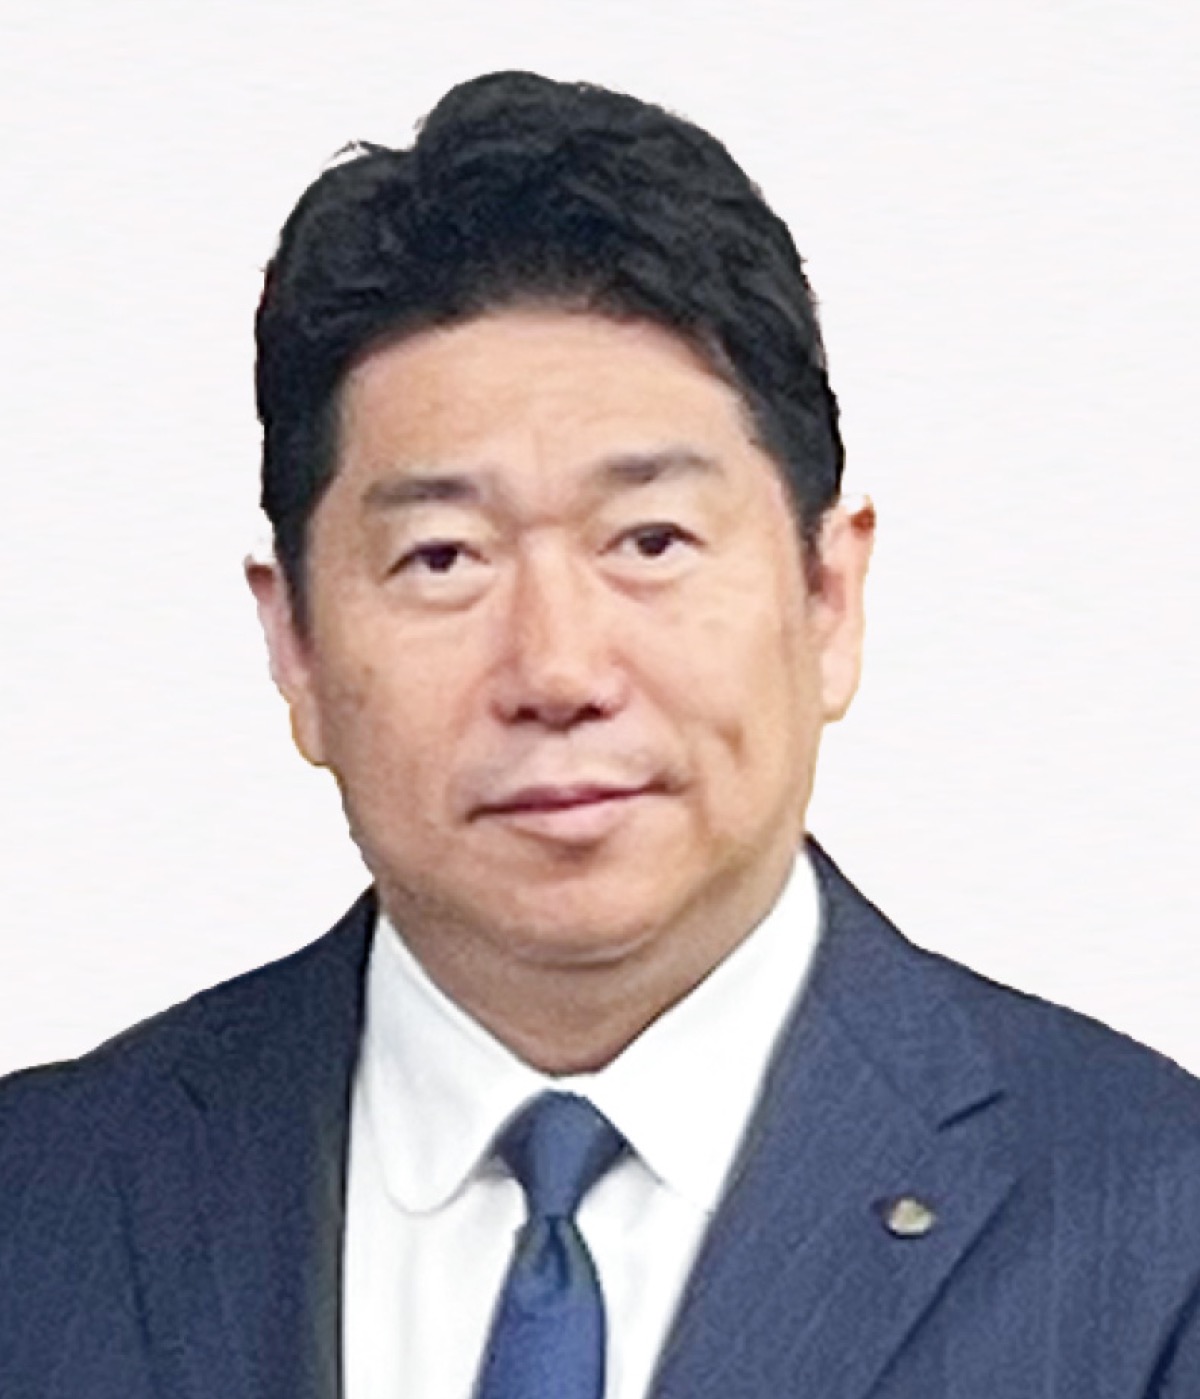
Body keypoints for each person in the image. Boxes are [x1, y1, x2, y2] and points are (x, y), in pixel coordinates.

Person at [2, 69, 1199, 1399]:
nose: (558, 670)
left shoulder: (1155, 1231)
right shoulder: (41, 1208)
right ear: (297, 645)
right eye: (443, 557)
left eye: (651, 540)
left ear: (828, 596)